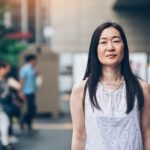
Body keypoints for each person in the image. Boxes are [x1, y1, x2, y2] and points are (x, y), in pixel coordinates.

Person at [70, 22, 150, 150]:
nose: (110, 47)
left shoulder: (142, 88)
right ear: (95, 49)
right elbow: (79, 136)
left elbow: (147, 134)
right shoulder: (81, 89)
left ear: (124, 47)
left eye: (116, 41)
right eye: (103, 42)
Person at [19, 54, 38, 132]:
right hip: (26, 92)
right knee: (31, 109)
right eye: (35, 60)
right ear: (31, 60)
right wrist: (21, 91)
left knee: (32, 109)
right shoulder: (25, 69)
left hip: (32, 91)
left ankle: (28, 124)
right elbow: (21, 80)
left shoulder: (33, 69)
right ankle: (23, 121)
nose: (36, 62)